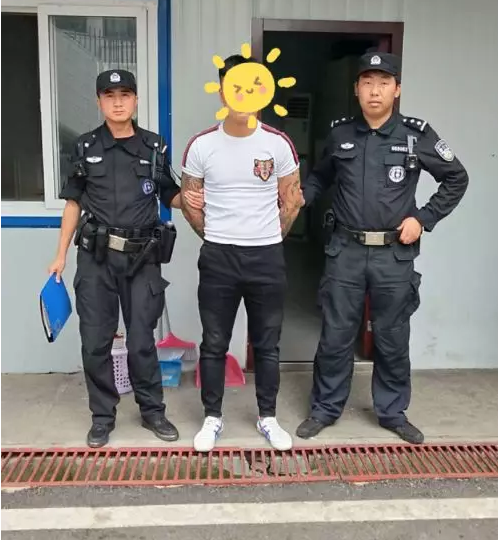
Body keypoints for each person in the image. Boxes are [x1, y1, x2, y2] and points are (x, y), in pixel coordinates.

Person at [296, 52, 469, 444]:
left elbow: (456, 177)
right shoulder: (340, 134)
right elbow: (319, 177)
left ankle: (392, 412)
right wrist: (300, 198)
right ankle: (324, 409)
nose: (375, 91)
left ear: (397, 90)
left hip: (394, 255)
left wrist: (423, 218)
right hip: (346, 251)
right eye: (368, 83)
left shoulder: (416, 135)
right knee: (336, 335)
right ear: (356, 89)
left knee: (391, 336)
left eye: (384, 83)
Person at [48, 69, 203, 448]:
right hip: (96, 260)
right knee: (95, 343)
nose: (118, 103)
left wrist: (190, 199)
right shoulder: (85, 146)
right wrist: (60, 255)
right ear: (99, 101)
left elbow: (169, 193)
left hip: (141, 259)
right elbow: (73, 203)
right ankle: (102, 417)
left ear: (135, 100)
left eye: (125, 95)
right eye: (109, 95)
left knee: (142, 342)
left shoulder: (153, 146)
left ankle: (153, 412)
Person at [181, 54, 304, 452]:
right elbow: (189, 201)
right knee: (214, 342)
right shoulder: (202, 145)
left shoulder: (277, 143)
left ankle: (268, 417)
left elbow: (292, 201)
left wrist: (268, 237)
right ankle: (212, 417)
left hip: (266, 257)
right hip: (219, 257)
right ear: (221, 91)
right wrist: (215, 235)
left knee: (267, 343)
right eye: (234, 86)